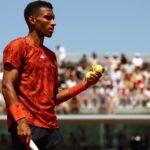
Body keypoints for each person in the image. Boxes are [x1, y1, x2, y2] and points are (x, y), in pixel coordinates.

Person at [2, 1, 102, 150]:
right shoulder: (18, 46)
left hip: (52, 129)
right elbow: (6, 85)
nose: (53, 23)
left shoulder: (51, 56)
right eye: (48, 18)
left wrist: (85, 85)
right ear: (32, 20)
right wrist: (21, 121)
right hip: (27, 126)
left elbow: (53, 99)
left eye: (54, 18)